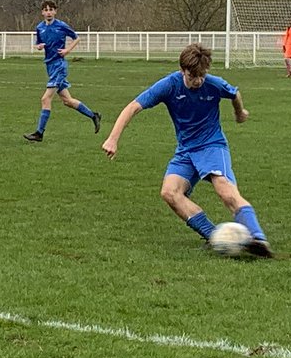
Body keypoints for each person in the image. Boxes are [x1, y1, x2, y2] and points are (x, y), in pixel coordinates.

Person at [102, 43, 273, 257]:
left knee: (226, 192)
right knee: (170, 193)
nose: (198, 81)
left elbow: (234, 94)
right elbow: (133, 107)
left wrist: (239, 112)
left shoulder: (213, 84)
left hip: (212, 146)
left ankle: (259, 238)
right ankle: (215, 236)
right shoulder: (169, 85)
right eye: (193, 76)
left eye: (202, 75)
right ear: (183, 70)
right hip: (186, 151)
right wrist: (112, 138)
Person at [23, 0, 101, 142]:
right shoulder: (40, 27)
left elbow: (76, 38)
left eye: (51, 9)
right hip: (49, 66)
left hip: (59, 66)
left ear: (55, 11)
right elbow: (38, 43)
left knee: (45, 99)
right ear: (42, 12)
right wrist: (39, 46)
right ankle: (94, 115)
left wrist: (67, 50)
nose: (48, 12)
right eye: (46, 10)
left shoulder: (61, 26)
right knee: (67, 101)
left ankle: (39, 133)